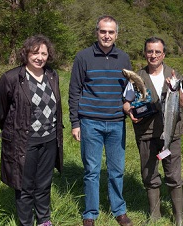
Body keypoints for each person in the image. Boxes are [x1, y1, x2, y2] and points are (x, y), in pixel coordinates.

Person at [68, 15, 133, 226]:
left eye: (111, 32)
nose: (107, 35)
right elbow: (74, 90)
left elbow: (129, 89)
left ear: (116, 34)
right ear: (97, 32)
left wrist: (129, 102)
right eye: (103, 31)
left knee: (116, 170)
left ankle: (119, 210)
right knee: (91, 171)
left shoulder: (124, 58)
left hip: (116, 122)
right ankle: (90, 213)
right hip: (90, 123)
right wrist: (75, 123)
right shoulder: (83, 57)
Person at [0, 35, 63, 226]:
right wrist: (15, 131)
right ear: (26, 53)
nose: (40, 57)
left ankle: (44, 221)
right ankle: (26, 222)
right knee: (24, 187)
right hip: (24, 142)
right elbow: (1, 112)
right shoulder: (12, 78)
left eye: (44, 53)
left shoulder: (52, 75)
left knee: (43, 184)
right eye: (35, 53)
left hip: (49, 140)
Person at [123, 37, 183, 226]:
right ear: (145, 53)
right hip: (146, 133)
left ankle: (179, 218)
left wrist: (175, 90)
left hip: (171, 133)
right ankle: (155, 216)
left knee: (173, 175)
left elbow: (182, 102)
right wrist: (130, 112)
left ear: (163, 54)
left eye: (157, 52)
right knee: (149, 175)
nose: (154, 55)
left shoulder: (173, 74)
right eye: (150, 51)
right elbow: (127, 102)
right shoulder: (136, 76)